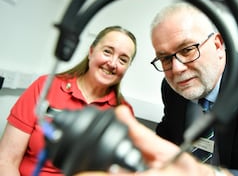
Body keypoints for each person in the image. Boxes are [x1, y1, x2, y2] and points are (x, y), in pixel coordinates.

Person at [78, 2, 238, 176]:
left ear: (217, 44)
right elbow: (165, 142)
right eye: (164, 58)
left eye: (187, 50)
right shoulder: (171, 88)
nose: (177, 68)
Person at [0, 25, 137, 176]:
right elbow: (7, 159)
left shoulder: (123, 112)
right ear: (91, 52)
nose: (112, 63)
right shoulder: (46, 86)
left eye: (123, 60)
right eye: (107, 51)